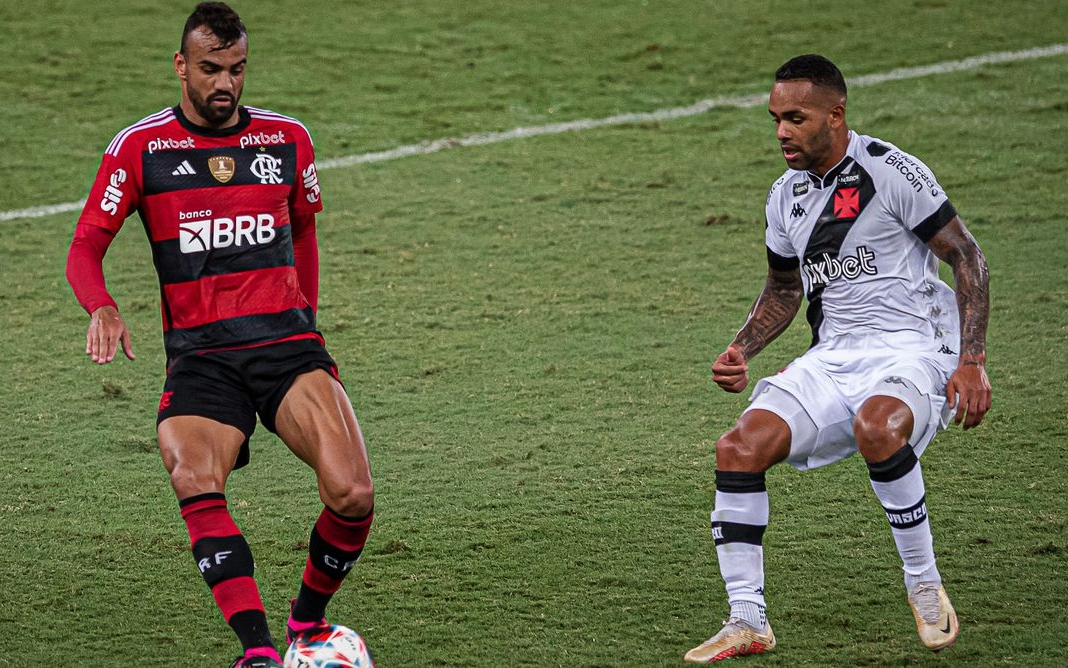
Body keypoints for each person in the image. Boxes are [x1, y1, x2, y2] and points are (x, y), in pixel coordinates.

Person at [65, 4, 374, 666]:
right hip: (202, 357)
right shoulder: (140, 148)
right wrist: (102, 306)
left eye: (236, 69)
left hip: (286, 348)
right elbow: (85, 245)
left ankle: (306, 626)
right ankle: (257, 652)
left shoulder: (287, 140)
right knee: (192, 474)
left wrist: (308, 319)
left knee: (353, 494)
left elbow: (303, 229)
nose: (225, 84)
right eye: (210, 69)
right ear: (181, 66)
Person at [684, 54, 991, 663]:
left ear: (835, 114)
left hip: (914, 349)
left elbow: (967, 257)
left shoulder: (890, 171)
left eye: (795, 119)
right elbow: (783, 289)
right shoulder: (785, 196)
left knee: (877, 427)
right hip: (834, 356)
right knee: (738, 447)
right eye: (775, 119)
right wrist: (742, 348)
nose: (781, 132)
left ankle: (923, 582)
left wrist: (972, 359)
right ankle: (747, 619)